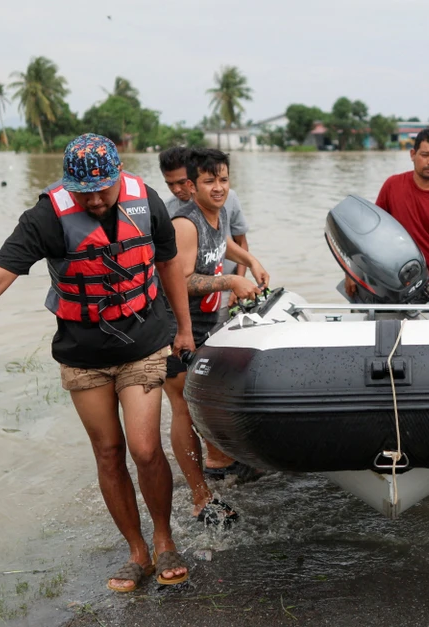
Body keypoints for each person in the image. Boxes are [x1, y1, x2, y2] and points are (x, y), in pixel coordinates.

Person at [0, 134, 193, 592]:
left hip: (143, 340)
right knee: (108, 453)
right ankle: (136, 552)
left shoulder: (146, 201)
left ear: (119, 177)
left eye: (103, 189)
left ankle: (164, 538)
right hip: (83, 352)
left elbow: (170, 263)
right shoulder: (46, 217)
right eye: (83, 191)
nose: (93, 199)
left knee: (145, 448)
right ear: (67, 183)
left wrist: (185, 329)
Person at [163, 148, 271, 525]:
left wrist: (252, 260)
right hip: (177, 328)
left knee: (211, 395)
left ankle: (221, 460)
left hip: (207, 321)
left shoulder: (220, 212)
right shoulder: (184, 224)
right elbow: (180, 278)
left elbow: (222, 244)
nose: (219, 187)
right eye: (209, 181)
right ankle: (199, 496)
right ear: (192, 186)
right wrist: (230, 279)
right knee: (182, 405)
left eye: (223, 179)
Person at [346, 127, 429, 303]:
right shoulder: (392, 186)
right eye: (425, 155)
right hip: (404, 286)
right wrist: (354, 271)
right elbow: (372, 235)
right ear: (412, 154)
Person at [159, 147, 251, 278]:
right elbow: (177, 275)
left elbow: (234, 241)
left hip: (229, 281)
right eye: (170, 184)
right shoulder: (169, 212)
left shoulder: (225, 200)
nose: (177, 189)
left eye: (181, 182)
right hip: (199, 289)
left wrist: (245, 272)